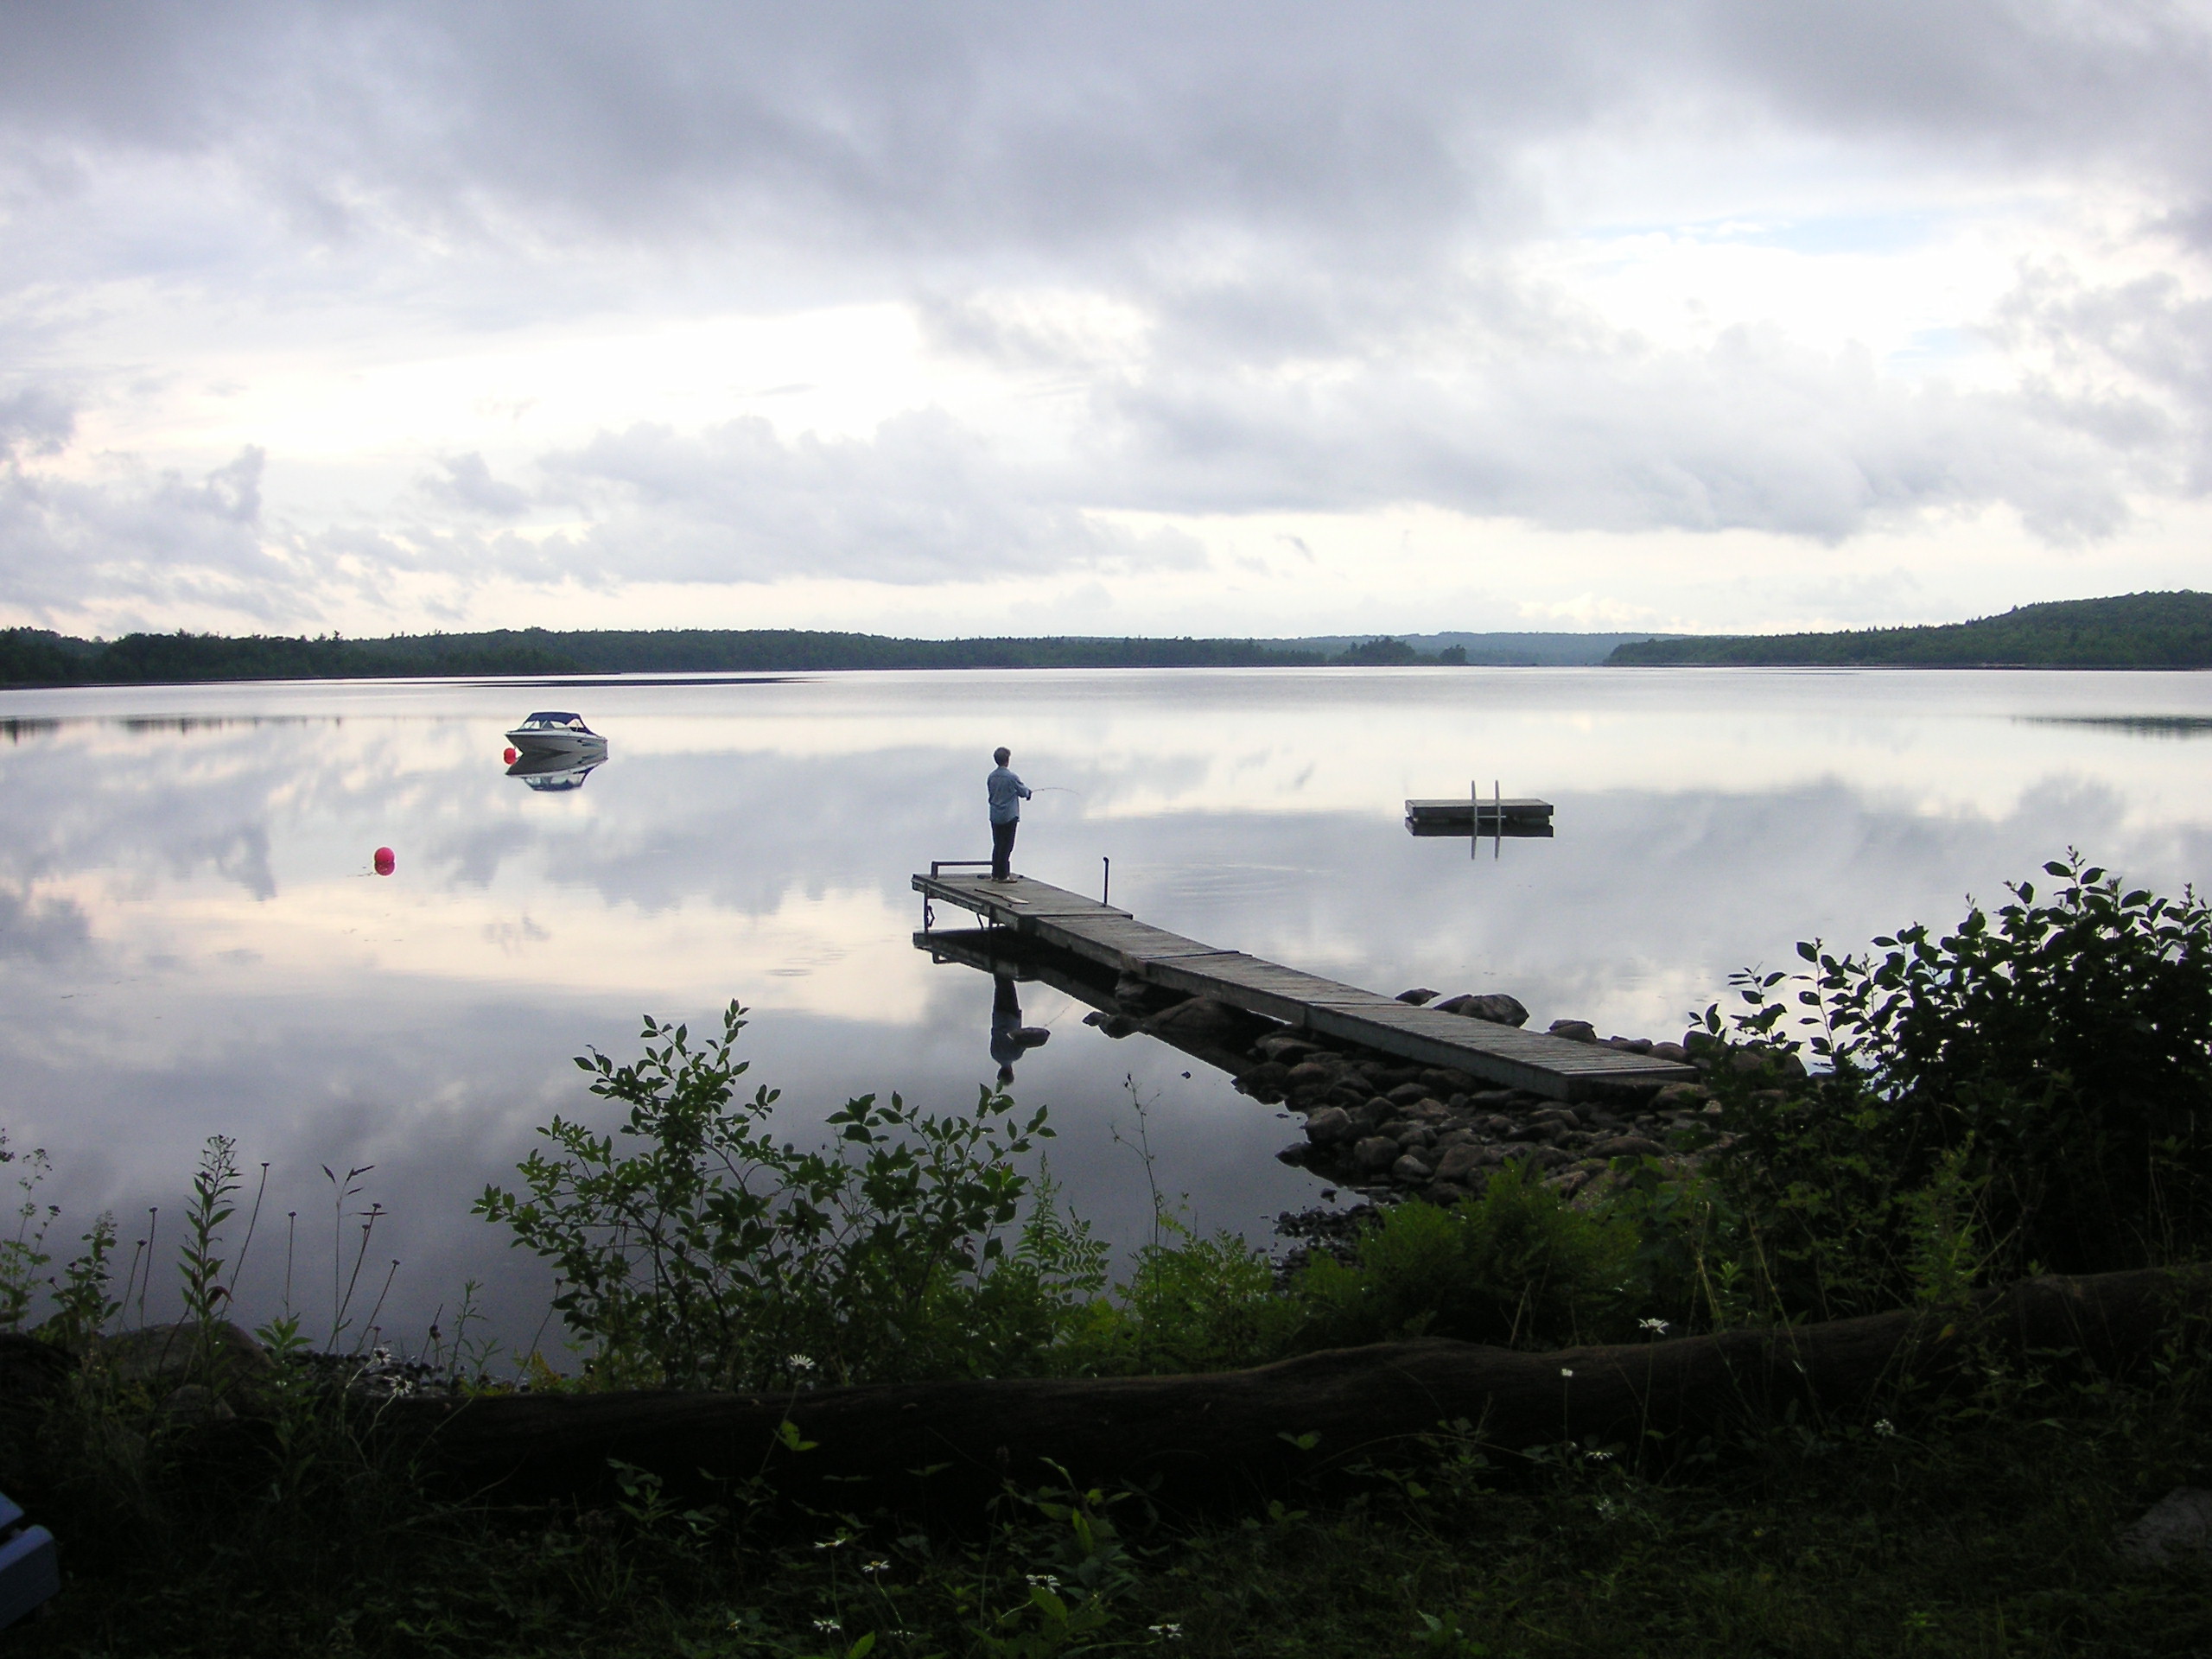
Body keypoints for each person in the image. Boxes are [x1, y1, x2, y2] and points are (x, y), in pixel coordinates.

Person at [986, 746, 1031, 881]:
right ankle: (1003, 875)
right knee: (1007, 846)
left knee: (997, 845)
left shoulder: (991, 777)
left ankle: (995, 874)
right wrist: (1029, 793)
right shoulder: (1011, 777)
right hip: (1009, 816)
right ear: (1007, 760)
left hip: (995, 815)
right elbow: (1023, 792)